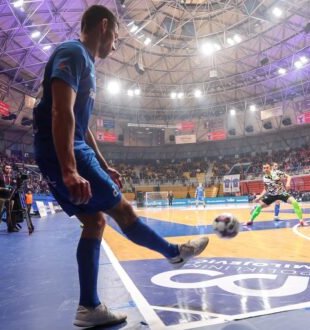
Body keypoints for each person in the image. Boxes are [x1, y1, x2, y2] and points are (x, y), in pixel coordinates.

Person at [32, 5, 208, 327]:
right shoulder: (74, 52)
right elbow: (61, 112)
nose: (115, 44)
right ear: (104, 26)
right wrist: (71, 168)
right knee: (124, 212)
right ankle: (175, 253)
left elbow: (81, 125)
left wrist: (103, 163)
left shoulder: (85, 63)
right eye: (116, 36)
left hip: (65, 148)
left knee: (95, 222)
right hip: (63, 149)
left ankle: (89, 307)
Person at [0, 164, 17, 233]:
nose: (8, 169)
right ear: (4, 169)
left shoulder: (12, 178)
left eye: (10, 168)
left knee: (9, 214)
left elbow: (13, 188)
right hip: (0, 198)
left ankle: (10, 228)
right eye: (7, 168)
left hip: (9, 199)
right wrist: (4, 188)